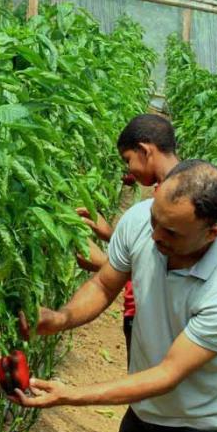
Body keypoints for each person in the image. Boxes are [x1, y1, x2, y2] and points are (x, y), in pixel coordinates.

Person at [15, 160, 217, 432]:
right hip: (144, 413)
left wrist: (69, 395)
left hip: (201, 429)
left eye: (172, 232)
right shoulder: (143, 220)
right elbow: (103, 285)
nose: (156, 235)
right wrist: (60, 318)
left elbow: (168, 373)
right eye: (155, 221)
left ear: (211, 232)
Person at [76, 114, 181, 366]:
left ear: (145, 151)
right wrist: (110, 233)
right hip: (147, 311)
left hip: (150, 314)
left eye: (128, 160)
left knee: (147, 397)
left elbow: (170, 273)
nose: (128, 169)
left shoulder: (173, 204)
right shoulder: (180, 191)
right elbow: (157, 248)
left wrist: (104, 263)